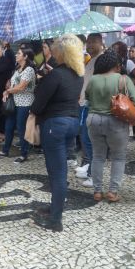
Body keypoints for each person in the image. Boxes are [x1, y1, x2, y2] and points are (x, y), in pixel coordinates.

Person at [29, 34, 84, 232]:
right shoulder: (77, 74)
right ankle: (55, 207)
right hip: (72, 123)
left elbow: (37, 105)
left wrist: (43, 82)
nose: (52, 52)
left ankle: (55, 219)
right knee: (60, 170)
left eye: (54, 50)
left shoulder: (55, 75)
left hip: (55, 125)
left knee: (57, 172)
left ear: (62, 53)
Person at [86, 50, 135, 203]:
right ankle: (112, 192)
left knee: (97, 156)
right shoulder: (123, 79)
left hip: (94, 119)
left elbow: (87, 97)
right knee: (118, 157)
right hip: (116, 121)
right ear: (117, 66)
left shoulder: (93, 79)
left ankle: (97, 191)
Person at [0, 47, 36, 163]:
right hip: (14, 102)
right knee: (9, 127)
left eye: (19, 53)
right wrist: (8, 88)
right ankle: (5, 150)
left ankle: (24, 154)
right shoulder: (17, 68)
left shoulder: (29, 70)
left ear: (25, 57)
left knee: (21, 129)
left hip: (25, 103)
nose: (16, 55)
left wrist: (7, 91)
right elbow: (13, 85)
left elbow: (21, 87)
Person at [75, 33, 105, 187]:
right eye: (88, 42)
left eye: (93, 42)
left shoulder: (101, 60)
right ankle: (89, 167)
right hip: (84, 103)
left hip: (92, 105)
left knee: (91, 140)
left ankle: (94, 175)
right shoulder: (91, 60)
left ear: (101, 43)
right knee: (86, 138)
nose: (90, 45)